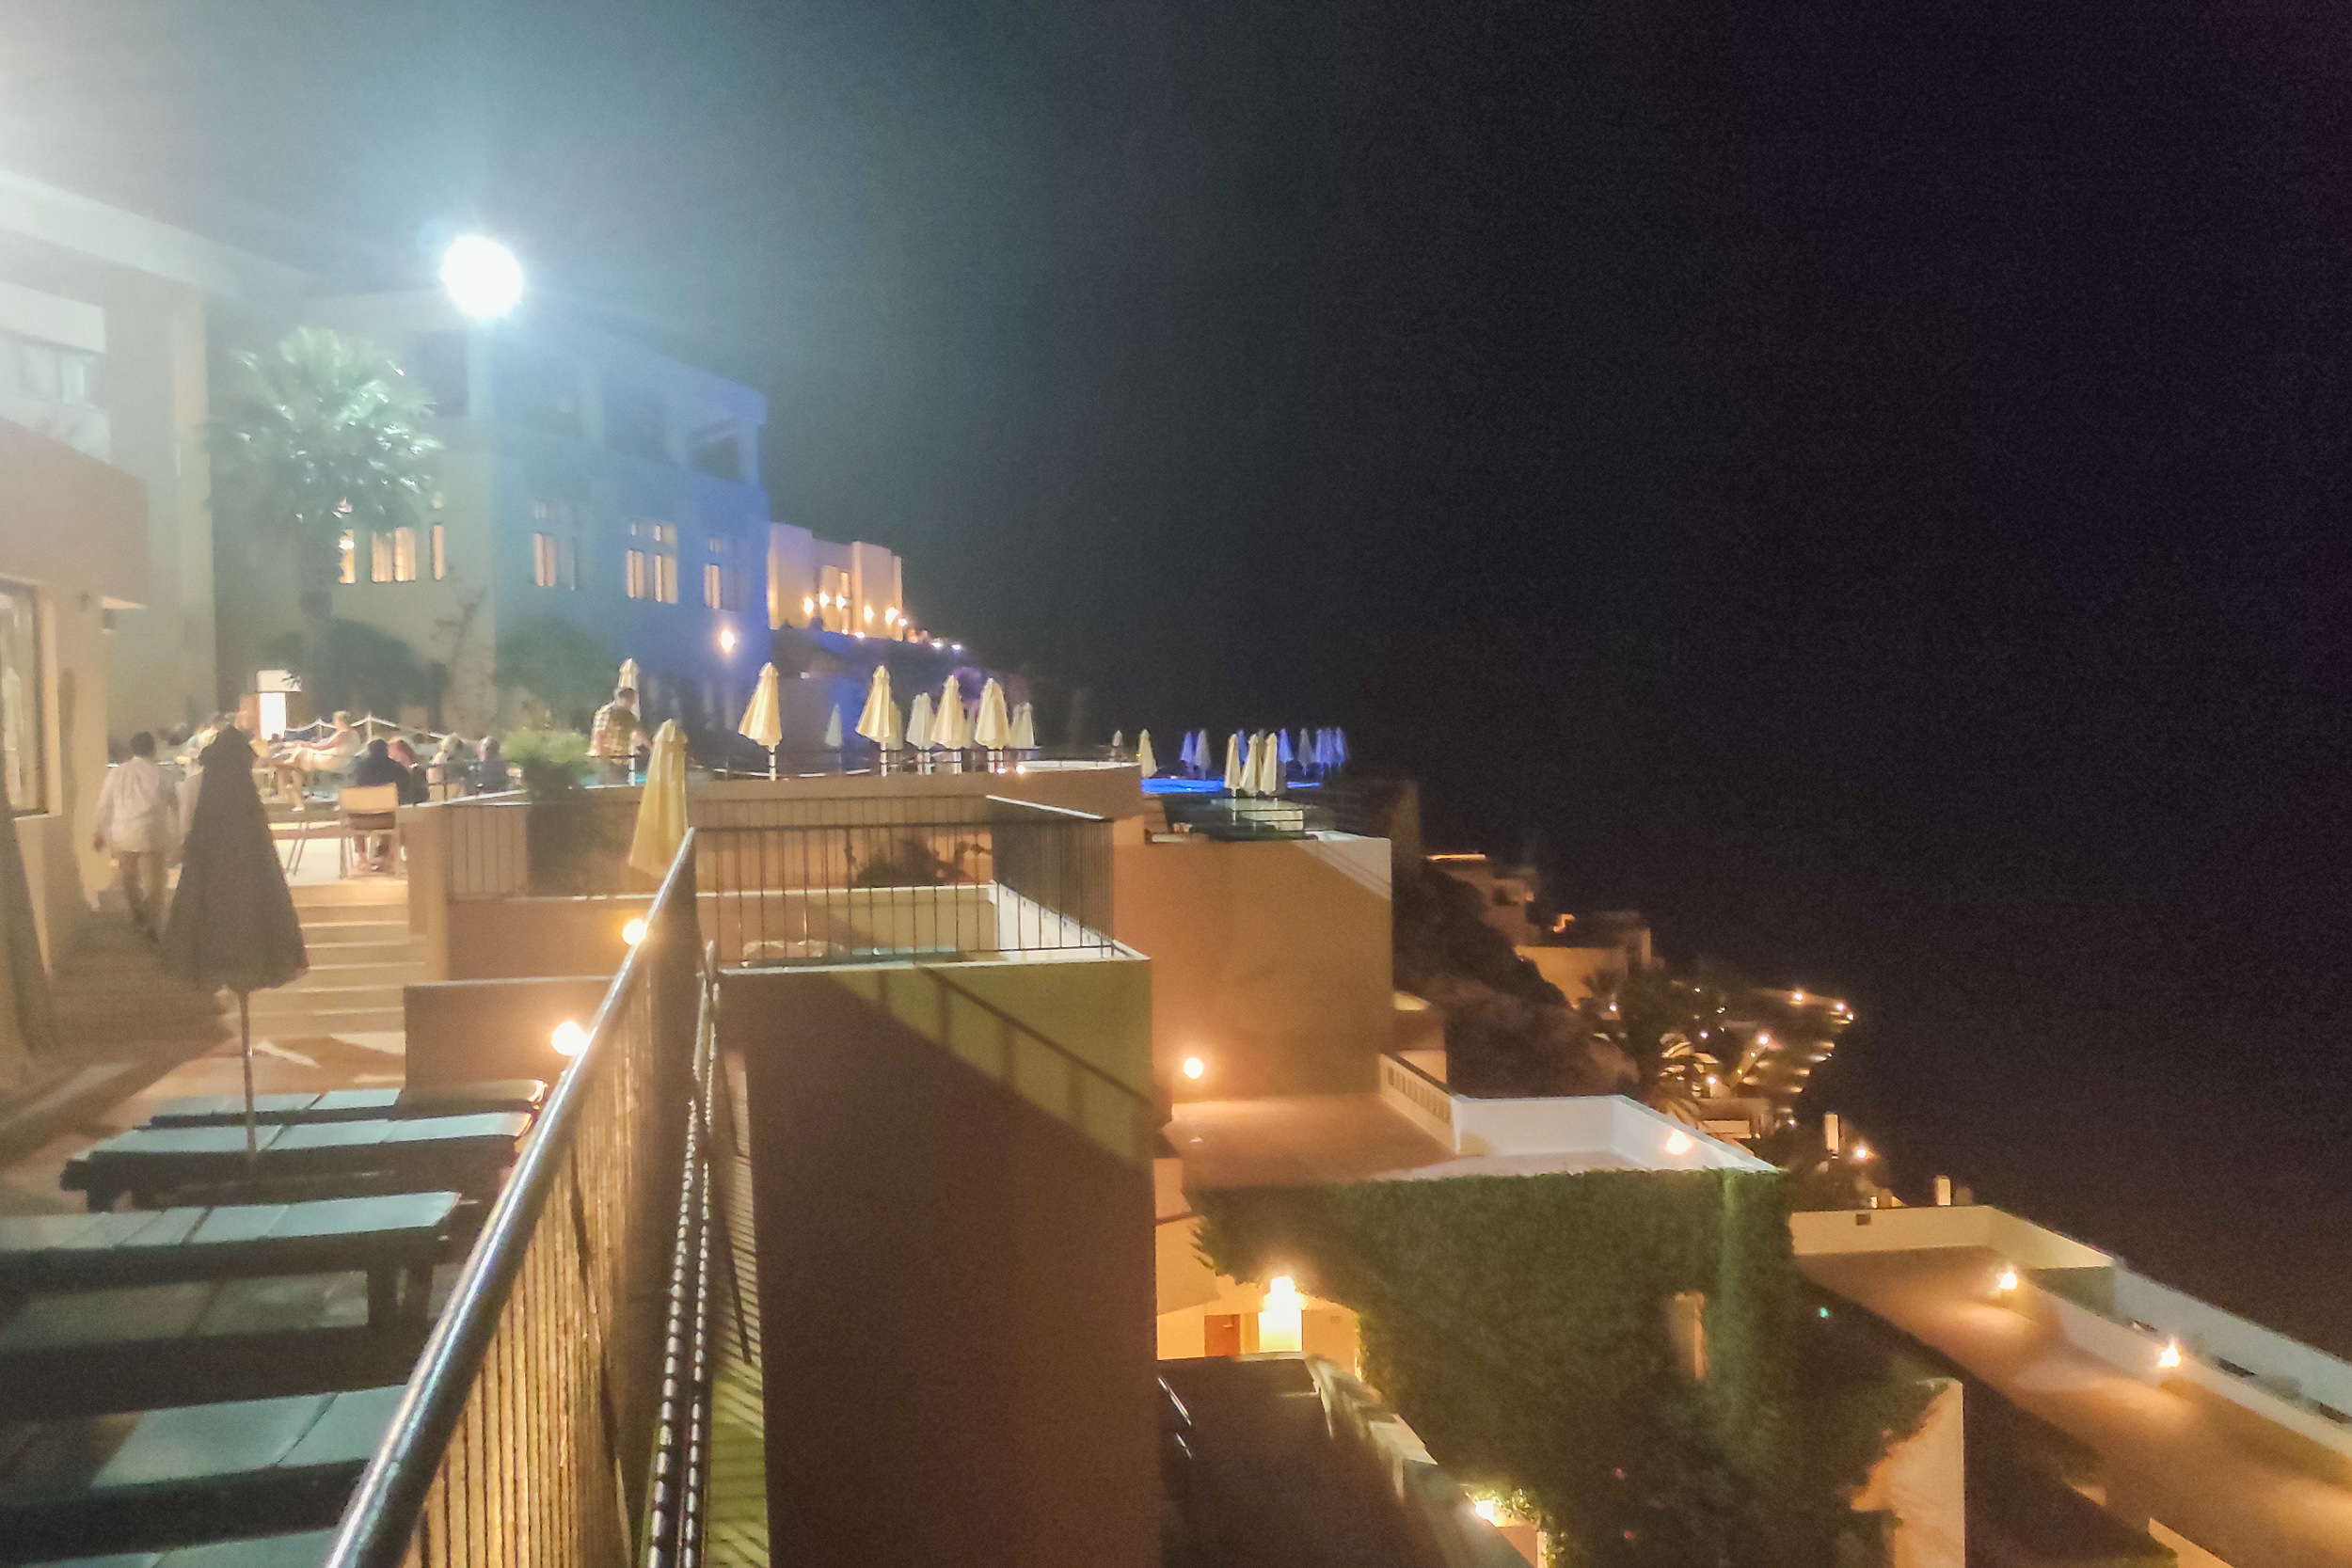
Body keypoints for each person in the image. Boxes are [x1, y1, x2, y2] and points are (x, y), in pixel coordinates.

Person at [91, 731, 179, 941]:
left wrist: (99, 832)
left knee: (129, 880)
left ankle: (138, 914)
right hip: (152, 834)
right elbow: (175, 805)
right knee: (155, 884)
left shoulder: (117, 773)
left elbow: (105, 805)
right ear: (153, 749)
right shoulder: (162, 774)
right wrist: (177, 834)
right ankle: (153, 922)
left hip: (123, 835)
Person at [344, 739, 414, 872]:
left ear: (369, 751)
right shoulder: (397, 769)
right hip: (387, 820)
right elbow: (407, 794)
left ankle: (362, 857)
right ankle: (386, 856)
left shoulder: (357, 770)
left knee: (354, 813)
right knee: (394, 815)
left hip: (360, 821)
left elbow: (348, 789)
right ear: (386, 750)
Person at [589, 686, 646, 784]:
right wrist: (600, 754)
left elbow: (639, 733)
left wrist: (653, 749)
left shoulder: (628, 716)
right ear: (620, 698)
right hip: (608, 759)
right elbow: (599, 733)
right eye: (630, 701)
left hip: (622, 760)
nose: (631, 704)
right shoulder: (607, 712)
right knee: (609, 787)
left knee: (620, 786)